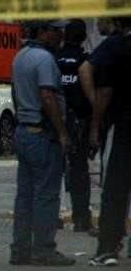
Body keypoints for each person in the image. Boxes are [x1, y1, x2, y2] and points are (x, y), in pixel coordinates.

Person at [8, 21, 74, 266]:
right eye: (56, 30)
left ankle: (20, 249)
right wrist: (62, 132)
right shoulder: (45, 59)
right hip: (42, 134)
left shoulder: (20, 56)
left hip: (24, 131)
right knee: (46, 195)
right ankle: (44, 249)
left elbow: (16, 92)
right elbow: (47, 95)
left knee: (25, 195)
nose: (60, 35)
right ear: (43, 32)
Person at [84, 17, 131, 266]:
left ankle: (108, 247)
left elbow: (104, 90)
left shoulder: (114, 47)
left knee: (114, 189)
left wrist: (95, 124)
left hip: (122, 126)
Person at [56, 19, 95, 234]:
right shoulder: (85, 61)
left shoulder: (54, 59)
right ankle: (81, 218)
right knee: (80, 170)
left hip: (56, 121)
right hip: (79, 122)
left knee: (54, 170)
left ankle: (52, 216)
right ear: (83, 37)